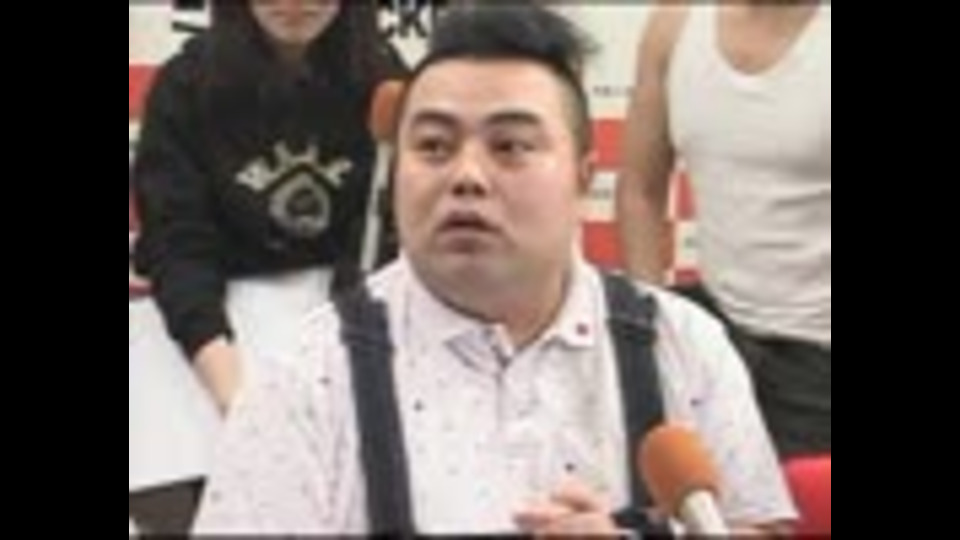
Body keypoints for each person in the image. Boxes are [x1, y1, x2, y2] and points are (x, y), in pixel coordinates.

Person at [193, 3, 795, 535]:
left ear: (583, 179)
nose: (467, 176)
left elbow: (756, 526)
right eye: (434, 146)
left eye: (510, 147)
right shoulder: (306, 377)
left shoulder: (684, 347)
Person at [131, 0, 407, 412]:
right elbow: (176, 241)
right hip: (217, 330)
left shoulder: (383, 78)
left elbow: (382, 234)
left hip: (339, 325)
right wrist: (234, 396)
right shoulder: (186, 85)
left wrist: (348, 356)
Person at [614, 1, 831, 458]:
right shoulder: (675, 24)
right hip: (713, 340)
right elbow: (640, 190)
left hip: (818, 363)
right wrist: (649, 323)